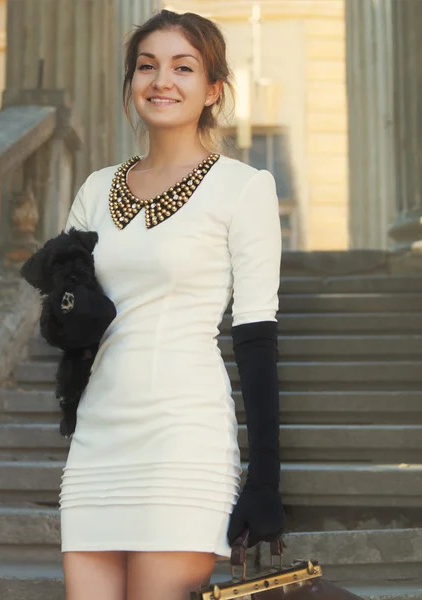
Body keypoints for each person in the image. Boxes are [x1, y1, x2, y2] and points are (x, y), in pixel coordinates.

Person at [59, 9, 285, 600]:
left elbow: (256, 334)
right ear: (132, 83)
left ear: (213, 88)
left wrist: (264, 478)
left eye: (183, 68)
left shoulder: (243, 187)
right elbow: (67, 324)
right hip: (98, 440)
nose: (162, 81)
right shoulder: (94, 187)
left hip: (183, 437)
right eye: (147, 66)